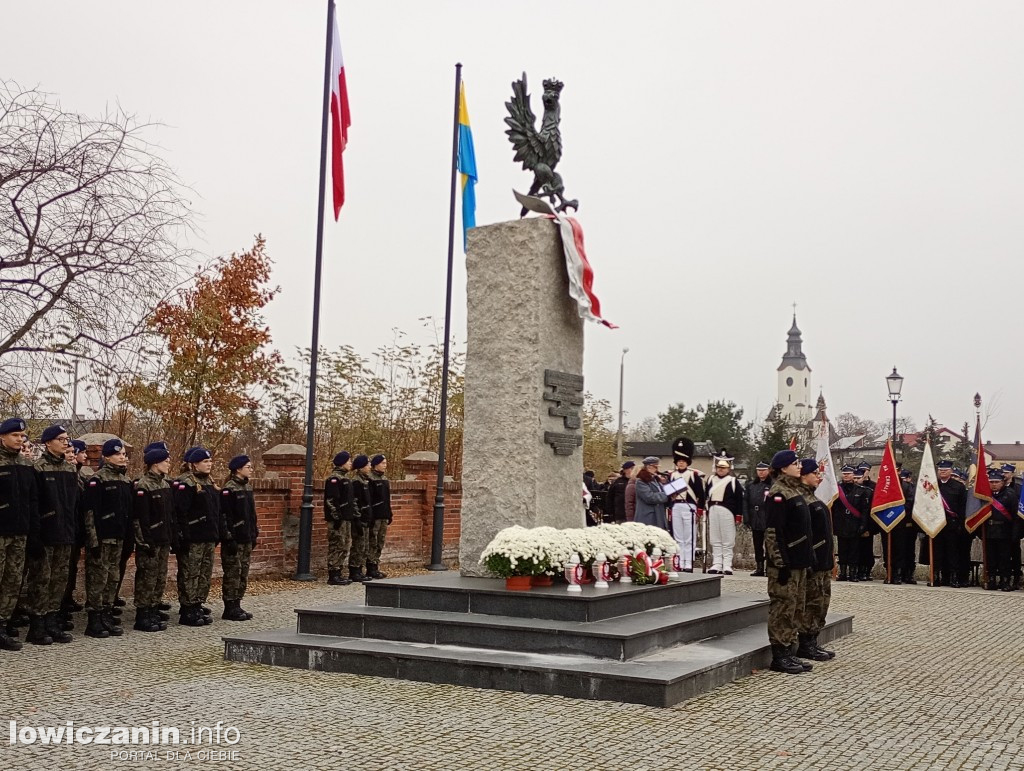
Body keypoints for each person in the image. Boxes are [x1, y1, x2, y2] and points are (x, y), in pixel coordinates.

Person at [25, 424, 78, 645]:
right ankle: (37, 625)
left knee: (59, 579)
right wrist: (35, 534)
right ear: (48, 443)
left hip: (65, 532)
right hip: (46, 533)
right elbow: (33, 504)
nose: (66, 443)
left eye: (67, 439)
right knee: (42, 579)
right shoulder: (38, 468)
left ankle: (52, 620)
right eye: (61, 439)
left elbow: (73, 504)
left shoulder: (69, 469)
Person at [763, 449, 815, 675]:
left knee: (795, 606)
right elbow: (774, 531)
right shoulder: (778, 493)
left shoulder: (794, 490)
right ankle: (780, 655)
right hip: (785, 564)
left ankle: (790, 650)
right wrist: (780, 562)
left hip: (798, 561)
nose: (799, 467)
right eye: (795, 464)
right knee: (783, 607)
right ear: (783, 468)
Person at [82, 438, 132, 638]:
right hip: (103, 538)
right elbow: (90, 513)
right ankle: (94, 619)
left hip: (118, 537)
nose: (122, 457)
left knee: (113, 578)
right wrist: (93, 540)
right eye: (118, 454)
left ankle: (107, 614)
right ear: (107, 457)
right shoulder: (97, 480)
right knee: (98, 579)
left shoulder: (125, 481)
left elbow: (128, 512)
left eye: (124, 455)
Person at [0, 418, 36, 652]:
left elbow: (32, 499)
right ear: (2, 437)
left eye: (22, 436)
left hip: (20, 531)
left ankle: (2, 624)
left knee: (12, 580)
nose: (19, 439)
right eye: (15, 435)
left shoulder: (25, 465)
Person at [173, 447, 219, 627]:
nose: (209, 464)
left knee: (204, 573)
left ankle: (198, 603)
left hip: (208, 536)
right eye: (205, 462)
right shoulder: (187, 483)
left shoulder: (209, 482)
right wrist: (183, 536)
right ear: (194, 464)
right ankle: (187, 607)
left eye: (210, 461)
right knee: (190, 573)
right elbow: (180, 512)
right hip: (193, 537)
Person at [132, 446, 175, 632]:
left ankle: (153, 609)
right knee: (147, 578)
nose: (168, 463)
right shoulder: (144, 485)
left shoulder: (165, 485)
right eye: (165, 461)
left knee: (159, 577)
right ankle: (142, 614)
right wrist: (144, 541)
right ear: (155, 463)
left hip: (163, 539)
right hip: (150, 540)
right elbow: (140, 518)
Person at [797, 458, 835, 662]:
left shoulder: (814, 500)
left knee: (821, 602)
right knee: (812, 603)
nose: (818, 477)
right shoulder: (803, 501)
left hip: (824, 561)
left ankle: (812, 640)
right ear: (804, 476)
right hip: (813, 562)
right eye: (815, 474)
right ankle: (805, 643)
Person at [220, 455, 258, 620]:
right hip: (235, 538)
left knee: (243, 572)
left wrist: (254, 533)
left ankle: (237, 603)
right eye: (248, 466)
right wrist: (229, 537)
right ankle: (229, 606)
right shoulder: (229, 489)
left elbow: (251, 514)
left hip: (246, 536)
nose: (251, 469)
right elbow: (224, 516)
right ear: (238, 469)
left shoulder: (247, 487)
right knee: (233, 573)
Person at [60, 438, 91, 619]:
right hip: (63, 529)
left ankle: (67, 598)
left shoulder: (79, 476)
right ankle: (61, 603)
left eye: (74, 453)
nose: (80, 456)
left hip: (74, 529)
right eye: (71, 453)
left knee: (70, 567)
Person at [667, 438, 705, 571]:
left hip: (689, 506)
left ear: (687, 462)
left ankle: (688, 562)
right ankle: (680, 561)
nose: (681, 463)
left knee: (689, 537)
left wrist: (699, 509)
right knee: (678, 537)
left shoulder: (694, 475)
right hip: (676, 506)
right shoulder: (672, 475)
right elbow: (668, 494)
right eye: (679, 461)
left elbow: (701, 494)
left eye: (683, 461)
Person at [704, 453, 743, 575]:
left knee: (727, 539)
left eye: (723, 468)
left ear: (728, 469)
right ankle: (717, 563)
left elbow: (739, 500)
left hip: (727, 511)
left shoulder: (732, 481)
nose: (720, 470)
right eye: (719, 467)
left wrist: (738, 515)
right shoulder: (711, 479)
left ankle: (727, 564)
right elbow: (705, 496)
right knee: (715, 539)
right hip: (713, 510)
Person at [832, 465, 871, 582]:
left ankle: (853, 573)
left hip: (855, 524)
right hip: (841, 524)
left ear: (854, 475)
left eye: (848, 473)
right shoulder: (836, 490)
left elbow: (865, 510)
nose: (846, 476)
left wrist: (863, 525)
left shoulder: (861, 490)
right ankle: (843, 573)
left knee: (854, 550)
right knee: (842, 550)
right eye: (844, 474)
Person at [934, 460, 968, 587]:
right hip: (936, 523)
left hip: (952, 524)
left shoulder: (958, 487)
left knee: (952, 552)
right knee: (938, 552)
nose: (942, 471)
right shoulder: (932, 485)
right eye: (940, 469)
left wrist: (960, 524)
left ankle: (954, 577)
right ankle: (937, 576)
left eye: (945, 470)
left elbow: (962, 507)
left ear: (951, 471)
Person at [324, 451, 355, 586]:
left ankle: (339, 570)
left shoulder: (346, 479)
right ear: (342, 463)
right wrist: (336, 518)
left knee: (345, 545)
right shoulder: (334, 479)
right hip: (338, 519)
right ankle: (333, 573)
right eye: (348, 461)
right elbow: (331, 500)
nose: (350, 463)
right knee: (337, 544)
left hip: (346, 518)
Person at [985, 468, 1016, 591]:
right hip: (989, 531)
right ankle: (991, 580)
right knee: (991, 558)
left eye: (996, 482)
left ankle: (1005, 581)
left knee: (1004, 558)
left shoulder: (1010, 494)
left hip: (1005, 531)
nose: (994, 484)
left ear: (1002, 482)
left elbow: (1015, 516)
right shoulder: (985, 495)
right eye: (991, 482)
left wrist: (1015, 534)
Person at [366, 454, 393, 579]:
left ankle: (375, 564)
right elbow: (369, 500)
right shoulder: (370, 479)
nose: (385, 465)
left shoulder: (384, 479)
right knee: (373, 540)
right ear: (376, 464)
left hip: (384, 514)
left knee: (380, 541)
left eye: (385, 463)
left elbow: (386, 499)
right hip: (375, 515)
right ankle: (370, 566)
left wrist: (389, 513)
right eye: (383, 463)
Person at [744, 462, 772, 576]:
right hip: (755, 516)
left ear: (768, 471)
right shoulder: (751, 485)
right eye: (759, 470)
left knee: (769, 544)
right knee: (757, 544)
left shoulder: (772, 484)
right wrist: (746, 518)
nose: (761, 472)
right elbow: (745, 501)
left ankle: (769, 568)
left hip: (767, 516)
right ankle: (759, 567)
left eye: (763, 470)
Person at [349, 455, 373, 582]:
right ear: (361, 467)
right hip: (359, 518)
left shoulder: (365, 481)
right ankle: (354, 569)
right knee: (358, 544)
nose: (370, 466)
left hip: (366, 517)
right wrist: (357, 517)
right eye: (367, 464)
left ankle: (359, 568)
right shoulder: (356, 482)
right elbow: (355, 502)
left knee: (364, 545)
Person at [853, 464, 877, 581]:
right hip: (854, 525)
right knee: (856, 550)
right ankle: (856, 571)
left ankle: (866, 571)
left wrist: (869, 528)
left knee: (867, 550)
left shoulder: (874, 487)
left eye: (865, 470)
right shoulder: (853, 487)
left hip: (868, 524)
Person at [634, 456, 669, 530]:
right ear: (649, 467)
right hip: (648, 517)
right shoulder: (641, 481)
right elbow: (650, 497)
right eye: (655, 467)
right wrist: (667, 495)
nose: (657, 469)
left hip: (658, 515)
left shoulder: (655, 480)